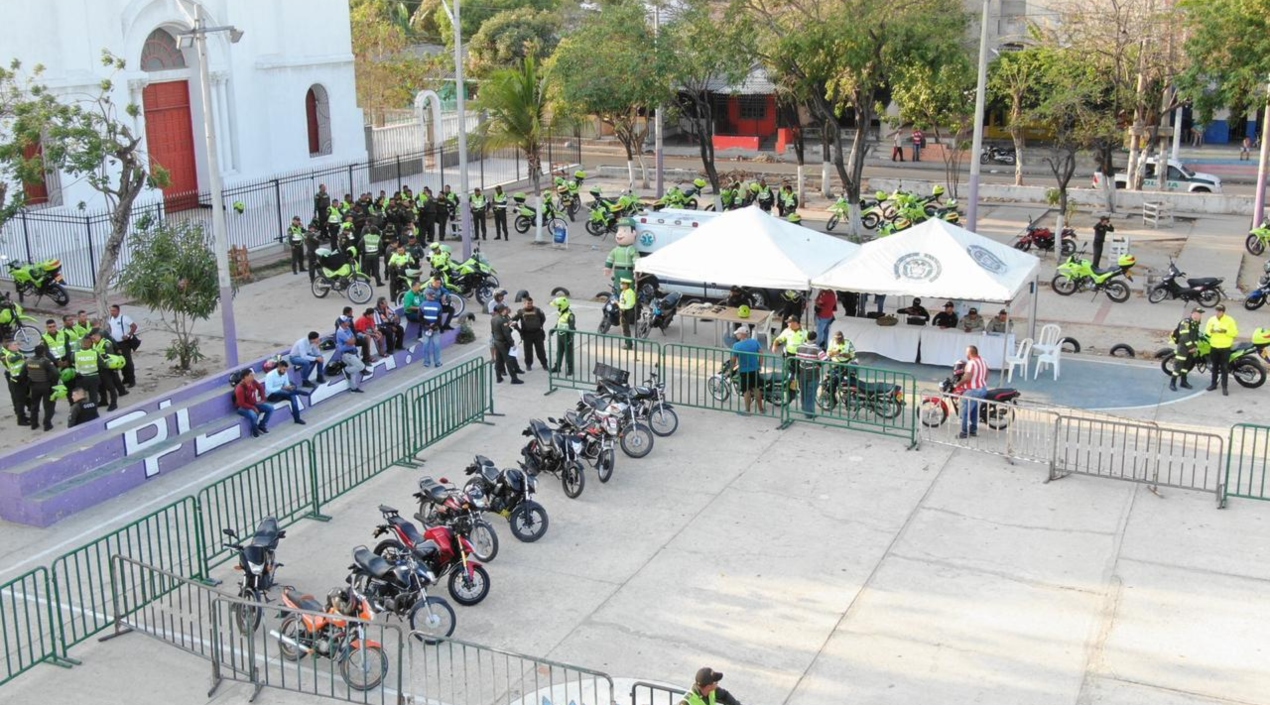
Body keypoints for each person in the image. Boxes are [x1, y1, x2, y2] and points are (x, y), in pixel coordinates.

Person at [1205, 303, 1238, 395]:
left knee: (1224, 368)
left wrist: (1225, 331)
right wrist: (1211, 331)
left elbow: (1235, 333)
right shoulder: (1211, 320)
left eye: (1220, 311)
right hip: (1214, 346)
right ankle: (1213, 384)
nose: (1218, 313)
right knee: (1214, 367)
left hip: (1225, 347)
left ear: (1223, 312)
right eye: (1216, 311)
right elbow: (1207, 331)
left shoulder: (1230, 320)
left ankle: (1224, 387)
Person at [957, 345, 988, 439]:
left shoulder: (971, 363)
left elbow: (967, 377)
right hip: (982, 388)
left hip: (972, 390)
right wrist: (981, 381)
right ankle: (973, 430)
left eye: (967, 353)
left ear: (970, 353)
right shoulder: (983, 360)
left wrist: (958, 384)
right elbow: (987, 374)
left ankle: (964, 432)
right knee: (974, 411)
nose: (966, 354)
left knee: (965, 412)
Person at [731, 327, 765, 415]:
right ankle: (761, 409)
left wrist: (731, 369)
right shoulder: (754, 342)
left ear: (742, 335)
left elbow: (733, 360)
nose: (736, 335)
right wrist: (760, 365)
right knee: (756, 389)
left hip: (744, 371)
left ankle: (747, 410)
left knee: (746, 390)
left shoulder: (736, 345)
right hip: (754, 369)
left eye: (738, 333)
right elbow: (761, 353)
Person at [233, 368, 275, 437]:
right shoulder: (240, 389)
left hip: (253, 403)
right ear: (245, 377)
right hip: (243, 407)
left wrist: (263, 399)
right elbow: (242, 404)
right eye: (251, 375)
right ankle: (254, 431)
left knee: (270, 408)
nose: (253, 376)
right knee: (253, 415)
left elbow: (260, 388)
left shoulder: (253, 382)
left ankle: (262, 425)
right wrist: (253, 408)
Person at [264, 359, 307, 425]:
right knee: (281, 391)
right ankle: (297, 392)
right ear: (279, 367)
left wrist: (290, 387)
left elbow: (287, 385)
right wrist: (282, 388)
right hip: (272, 396)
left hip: (283, 393)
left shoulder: (285, 373)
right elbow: (269, 389)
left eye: (286, 370)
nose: (285, 371)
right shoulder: (270, 375)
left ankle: (297, 419)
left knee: (293, 397)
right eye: (284, 369)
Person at [24, 343, 57, 431]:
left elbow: (23, 373)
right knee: (49, 405)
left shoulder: (28, 360)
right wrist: (54, 383)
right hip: (46, 385)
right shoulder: (45, 361)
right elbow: (56, 373)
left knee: (34, 405)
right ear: (43, 352)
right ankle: (47, 424)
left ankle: (34, 424)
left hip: (34, 386)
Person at [1170, 307, 1203, 392]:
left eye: (1200, 314)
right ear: (1193, 313)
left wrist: (1194, 347)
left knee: (1186, 366)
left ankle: (1183, 382)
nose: (1200, 315)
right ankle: (1172, 383)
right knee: (1178, 366)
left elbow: (1196, 337)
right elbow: (1184, 337)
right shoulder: (1186, 322)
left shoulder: (1196, 323)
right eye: (1198, 313)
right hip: (1183, 348)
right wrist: (1191, 347)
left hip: (1191, 349)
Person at [512, 297, 549, 371]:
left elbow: (543, 318)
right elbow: (513, 319)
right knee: (528, 351)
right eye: (528, 303)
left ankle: (544, 364)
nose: (530, 305)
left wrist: (538, 325)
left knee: (541, 350)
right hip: (527, 335)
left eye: (531, 303)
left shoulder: (538, 310)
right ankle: (528, 364)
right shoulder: (520, 312)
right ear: (524, 303)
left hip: (537, 333)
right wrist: (517, 327)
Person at [795, 331, 826, 418]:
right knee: (811, 393)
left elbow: (797, 358)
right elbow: (825, 359)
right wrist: (819, 364)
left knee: (803, 392)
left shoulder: (800, 347)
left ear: (807, 337)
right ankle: (810, 413)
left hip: (802, 372)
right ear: (815, 338)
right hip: (813, 374)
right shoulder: (817, 349)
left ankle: (804, 408)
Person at [107, 304, 139, 388]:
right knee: (120, 361)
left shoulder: (124, 318)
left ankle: (132, 380)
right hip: (115, 343)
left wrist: (128, 335)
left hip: (124, 343)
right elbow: (111, 327)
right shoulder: (110, 318)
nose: (112, 312)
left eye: (114, 311)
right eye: (111, 310)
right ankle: (125, 378)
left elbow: (134, 326)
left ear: (118, 311)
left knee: (127, 361)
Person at [490, 303, 523, 384]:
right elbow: (507, 334)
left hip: (497, 341)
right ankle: (514, 378)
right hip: (503, 343)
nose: (506, 310)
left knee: (498, 360)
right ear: (501, 310)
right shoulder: (502, 320)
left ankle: (498, 377)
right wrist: (512, 343)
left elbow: (493, 331)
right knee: (509, 360)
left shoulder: (493, 319)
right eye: (504, 309)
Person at [335, 318, 367, 393]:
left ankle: (353, 388)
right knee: (361, 366)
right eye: (347, 321)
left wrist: (351, 341)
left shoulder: (348, 328)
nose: (349, 322)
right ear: (342, 323)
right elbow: (351, 341)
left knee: (354, 373)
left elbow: (353, 340)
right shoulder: (340, 332)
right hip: (347, 353)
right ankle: (346, 369)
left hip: (352, 352)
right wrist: (351, 341)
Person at [3, 339, 28, 427]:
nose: (17, 346)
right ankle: (21, 420)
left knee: (23, 398)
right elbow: (12, 360)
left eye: (17, 344)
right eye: (15, 345)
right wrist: (21, 356)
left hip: (21, 379)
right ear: (9, 347)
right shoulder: (9, 355)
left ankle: (23, 416)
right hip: (16, 380)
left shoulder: (18, 353)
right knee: (19, 401)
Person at [550, 296, 576, 376]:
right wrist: (553, 330)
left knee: (568, 354)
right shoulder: (560, 313)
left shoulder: (570, 315)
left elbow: (572, 327)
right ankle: (557, 367)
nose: (558, 308)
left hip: (567, 336)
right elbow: (558, 323)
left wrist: (571, 337)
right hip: (560, 336)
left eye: (558, 306)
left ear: (562, 306)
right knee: (559, 353)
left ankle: (570, 369)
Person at [419, 289, 444, 367]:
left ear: (427, 296)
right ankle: (437, 362)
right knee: (436, 346)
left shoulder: (422, 305)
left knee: (426, 346)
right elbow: (439, 319)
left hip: (426, 329)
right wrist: (433, 326)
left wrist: (428, 325)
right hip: (435, 328)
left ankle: (427, 362)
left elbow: (420, 318)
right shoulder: (438, 305)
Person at [618, 278, 638, 349]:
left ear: (626, 285)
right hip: (623, 311)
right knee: (624, 328)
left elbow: (629, 303)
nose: (621, 285)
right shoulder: (624, 291)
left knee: (625, 329)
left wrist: (622, 308)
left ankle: (629, 345)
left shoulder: (629, 292)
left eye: (623, 284)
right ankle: (628, 343)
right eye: (621, 284)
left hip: (625, 312)